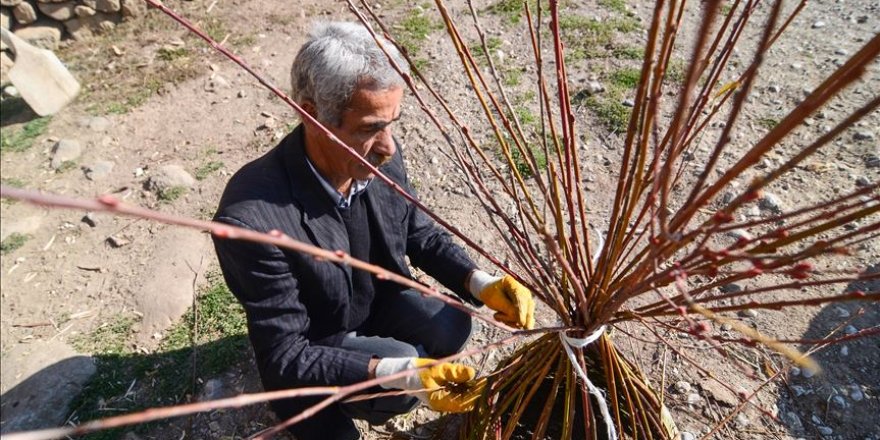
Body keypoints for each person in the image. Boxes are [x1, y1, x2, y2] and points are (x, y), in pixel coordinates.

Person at [212, 21, 535, 440]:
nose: (388, 147)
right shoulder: (250, 221)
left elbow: (417, 231)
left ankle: (383, 370)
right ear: (311, 114)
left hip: (371, 300)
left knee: (451, 324)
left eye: (391, 123)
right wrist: (399, 372)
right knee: (398, 374)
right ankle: (351, 393)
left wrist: (481, 283)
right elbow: (285, 354)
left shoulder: (376, 156)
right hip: (316, 340)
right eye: (368, 128)